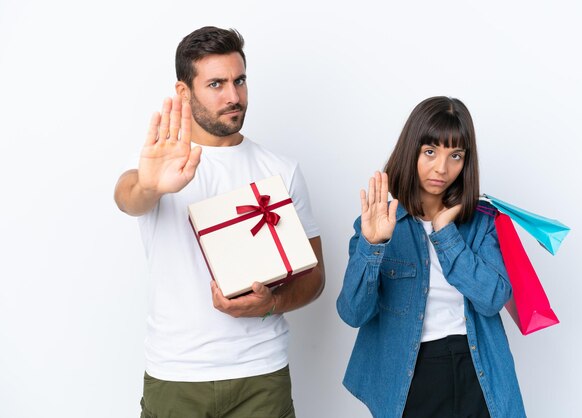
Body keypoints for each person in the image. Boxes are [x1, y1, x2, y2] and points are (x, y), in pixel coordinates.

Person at [114, 26, 325, 418]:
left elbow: (314, 279)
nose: (234, 96)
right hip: (176, 374)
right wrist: (150, 184)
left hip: (261, 374)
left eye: (239, 80)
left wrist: (271, 303)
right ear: (184, 92)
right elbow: (128, 198)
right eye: (216, 84)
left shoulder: (281, 170)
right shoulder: (160, 162)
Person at [336, 97, 525, 418]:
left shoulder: (481, 223)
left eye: (455, 155)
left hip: (477, 370)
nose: (442, 168)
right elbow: (353, 313)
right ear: (411, 150)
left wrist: (445, 233)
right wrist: (372, 244)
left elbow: (493, 300)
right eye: (430, 152)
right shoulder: (379, 222)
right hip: (411, 375)